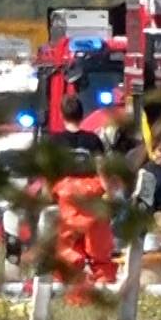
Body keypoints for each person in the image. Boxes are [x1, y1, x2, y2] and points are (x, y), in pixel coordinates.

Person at [48, 95, 116, 287]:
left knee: (67, 244)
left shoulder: (55, 141)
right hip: (92, 196)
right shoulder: (93, 140)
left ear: (62, 115)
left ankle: (67, 285)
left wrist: (50, 194)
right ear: (82, 114)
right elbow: (101, 168)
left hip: (67, 197)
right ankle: (102, 285)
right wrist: (108, 192)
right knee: (98, 246)